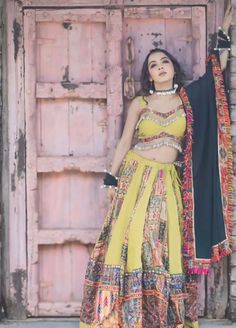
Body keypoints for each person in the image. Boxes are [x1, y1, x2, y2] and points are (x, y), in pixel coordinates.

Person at [79, 2, 233, 327]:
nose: (160, 66)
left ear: (173, 69)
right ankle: (123, 317)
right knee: (132, 237)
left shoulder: (187, 100)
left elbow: (216, 76)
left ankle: (161, 317)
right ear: (148, 74)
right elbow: (124, 142)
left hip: (168, 182)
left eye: (164, 62)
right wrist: (111, 177)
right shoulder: (141, 103)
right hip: (136, 177)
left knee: (163, 245)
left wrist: (224, 34)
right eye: (153, 64)